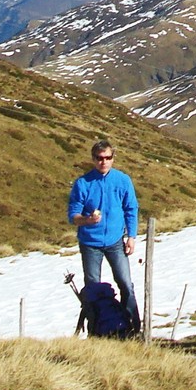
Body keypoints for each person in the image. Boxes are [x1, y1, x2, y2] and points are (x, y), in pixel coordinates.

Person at [68, 138, 140, 330]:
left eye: (108, 157)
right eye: (100, 158)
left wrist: (131, 236)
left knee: (126, 284)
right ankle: (97, 329)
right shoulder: (83, 183)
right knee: (93, 288)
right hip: (90, 243)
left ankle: (132, 326)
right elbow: (73, 215)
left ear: (113, 158)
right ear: (93, 159)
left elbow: (131, 208)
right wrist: (87, 220)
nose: (104, 162)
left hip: (116, 241)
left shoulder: (123, 180)